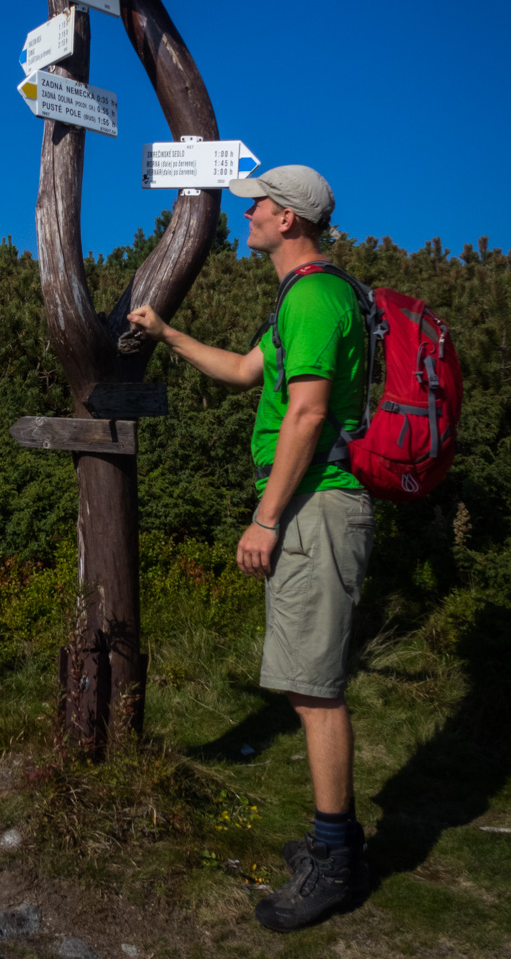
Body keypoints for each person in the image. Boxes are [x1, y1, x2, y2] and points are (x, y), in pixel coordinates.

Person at [127, 165, 375, 932]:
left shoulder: (312, 298)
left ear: (291, 220)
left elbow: (306, 415)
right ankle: (335, 839)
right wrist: (166, 335)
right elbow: (243, 372)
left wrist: (265, 520)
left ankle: (335, 863)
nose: (247, 216)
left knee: (315, 688)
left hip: (315, 505)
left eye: (257, 207)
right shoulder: (312, 299)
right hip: (311, 503)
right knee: (309, 681)